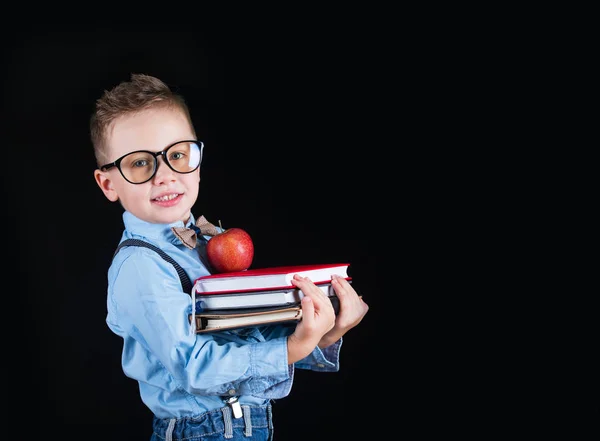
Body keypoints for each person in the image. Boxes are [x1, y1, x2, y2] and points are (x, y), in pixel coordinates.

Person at [91, 73, 369, 440]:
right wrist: (293, 347)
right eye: (140, 163)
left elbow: (245, 335)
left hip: (242, 423)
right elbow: (193, 366)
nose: (165, 175)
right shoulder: (140, 266)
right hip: (200, 431)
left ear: (198, 158)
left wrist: (325, 335)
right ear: (109, 183)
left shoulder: (215, 242)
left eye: (177, 154)